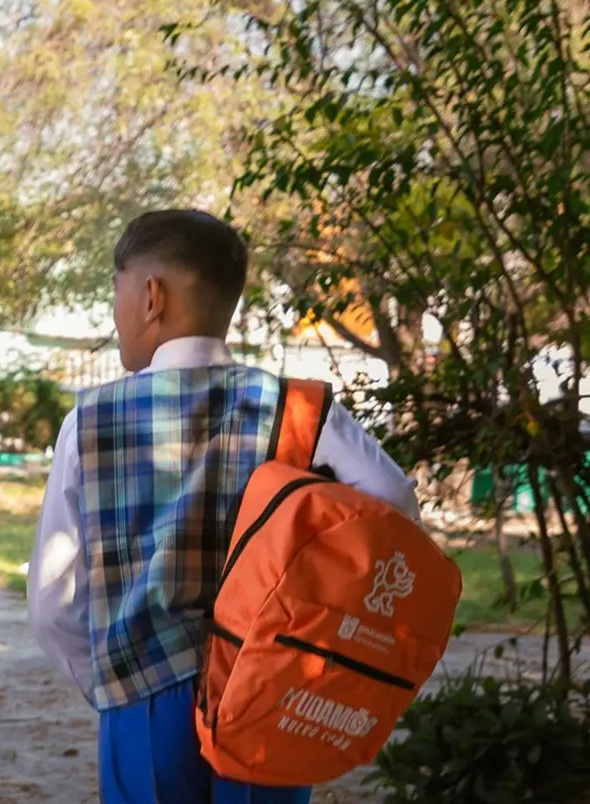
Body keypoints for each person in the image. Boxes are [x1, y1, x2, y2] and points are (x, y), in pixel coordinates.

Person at [27, 209, 421, 803]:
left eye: (117, 292)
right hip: (268, 686)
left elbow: (53, 604)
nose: (115, 312)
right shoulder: (296, 409)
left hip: (143, 693)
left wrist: (109, 685)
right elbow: (392, 499)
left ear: (152, 296)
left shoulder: (89, 421)